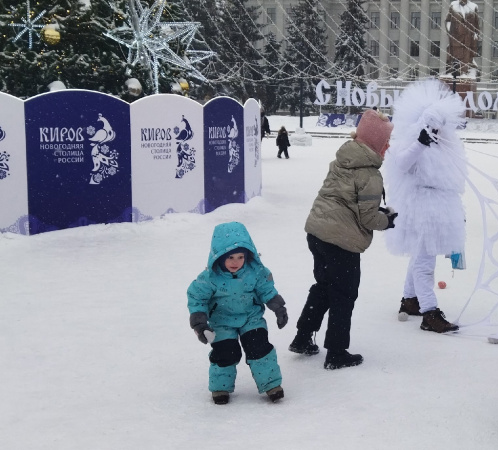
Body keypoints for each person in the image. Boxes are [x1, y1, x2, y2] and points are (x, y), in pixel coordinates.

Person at [290, 109, 398, 370]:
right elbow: (368, 218)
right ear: (377, 144)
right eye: (385, 142)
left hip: (317, 232)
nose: (388, 147)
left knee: (324, 287)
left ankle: (303, 337)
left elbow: (346, 200)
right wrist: (389, 220)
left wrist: (375, 212)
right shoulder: (370, 174)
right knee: (343, 295)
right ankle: (336, 352)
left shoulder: (342, 159)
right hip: (341, 242)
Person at [384, 79, 465, 333]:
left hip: (438, 208)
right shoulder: (410, 144)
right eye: (431, 127)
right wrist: (419, 143)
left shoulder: (445, 147)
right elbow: (401, 164)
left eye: (439, 127)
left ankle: (410, 300)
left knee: (421, 255)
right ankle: (429, 312)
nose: (436, 132)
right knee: (424, 262)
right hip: (420, 209)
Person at [187, 222, 288, 405]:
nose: (236, 262)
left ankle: (272, 385)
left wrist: (278, 308)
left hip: (251, 318)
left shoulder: (255, 272)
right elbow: (197, 298)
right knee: (226, 353)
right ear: (218, 256)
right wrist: (199, 323)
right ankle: (220, 388)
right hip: (222, 321)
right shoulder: (209, 278)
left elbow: (267, 290)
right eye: (230, 257)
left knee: (260, 348)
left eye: (241, 257)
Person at [445, 0, 480, 76]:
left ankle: (464, 73)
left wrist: (476, 34)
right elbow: (448, 21)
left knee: (466, 57)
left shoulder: (473, 7)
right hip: (455, 38)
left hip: (468, 38)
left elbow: (476, 24)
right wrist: (450, 33)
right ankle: (454, 73)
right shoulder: (453, 6)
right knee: (455, 57)